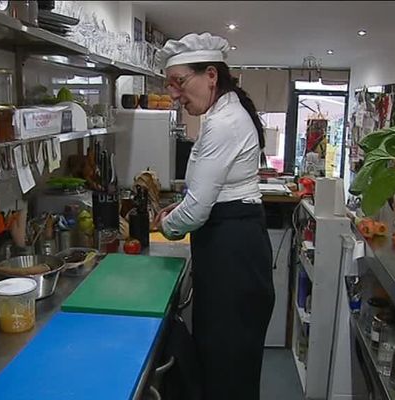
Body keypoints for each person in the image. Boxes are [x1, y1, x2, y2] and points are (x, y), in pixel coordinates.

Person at [153, 32, 275, 400]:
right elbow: (211, 194)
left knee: (227, 372)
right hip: (234, 250)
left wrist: (166, 224)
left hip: (232, 258)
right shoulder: (226, 114)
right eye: (170, 84)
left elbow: (198, 210)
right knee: (228, 367)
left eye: (179, 82)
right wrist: (183, 208)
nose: (174, 93)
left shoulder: (223, 124)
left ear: (210, 75)